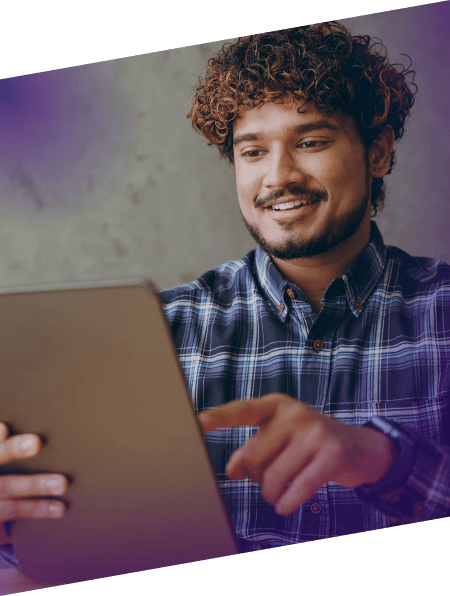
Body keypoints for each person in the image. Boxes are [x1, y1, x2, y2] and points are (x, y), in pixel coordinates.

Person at [0, 20, 448, 567]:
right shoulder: (158, 334)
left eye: (310, 141)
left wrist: (382, 458)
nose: (278, 176)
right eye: (253, 151)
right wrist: (16, 525)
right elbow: (74, 548)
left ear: (377, 153)